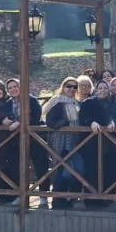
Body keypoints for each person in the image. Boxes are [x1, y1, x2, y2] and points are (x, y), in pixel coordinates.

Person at [41, 77, 83, 209]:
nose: (71, 89)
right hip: (61, 142)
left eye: (74, 87)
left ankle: (70, 198)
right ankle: (58, 200)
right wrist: (65, 124)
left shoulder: (75, 103)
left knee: (76, 170)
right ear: (63, 87)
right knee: (64, 172)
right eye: (68, 86)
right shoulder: (57, 102)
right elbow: (51, 122)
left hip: (75, 143)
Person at [6, 78, 48, 204]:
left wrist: (20, 123)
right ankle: (21, 194)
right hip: (17, 140)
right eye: (10, 88)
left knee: (40, 165)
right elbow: (5, 115)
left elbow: (36, 117)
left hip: (34, 138)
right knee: (18, 166)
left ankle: (43, 194)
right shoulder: (9, 103)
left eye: (15, 86)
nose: (13, 89)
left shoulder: (32, 100)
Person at [79, 79, 116, 207]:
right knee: (92, 170)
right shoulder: (88, 102)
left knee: (109, 169)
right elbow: (83, 116)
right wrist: (91, 122)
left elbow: (114, 115)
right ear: (96, 90)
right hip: (92, 143)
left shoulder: (113, 102)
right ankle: (92, 199)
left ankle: (108, 197)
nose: (103, 91)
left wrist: (113, 121)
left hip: (109, 143)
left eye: (105, 88)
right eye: (100, 88)